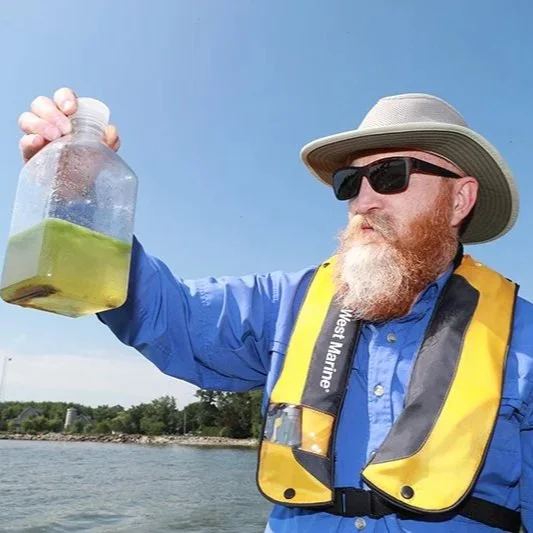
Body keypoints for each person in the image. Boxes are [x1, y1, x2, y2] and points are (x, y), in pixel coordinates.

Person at [17, 88, 533, 533]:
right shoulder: (283, 303)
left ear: (460, 200)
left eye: (389, 175)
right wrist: (81, 197)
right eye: (349, 183)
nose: (362, 202)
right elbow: (165, 315)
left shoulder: (524, 336)